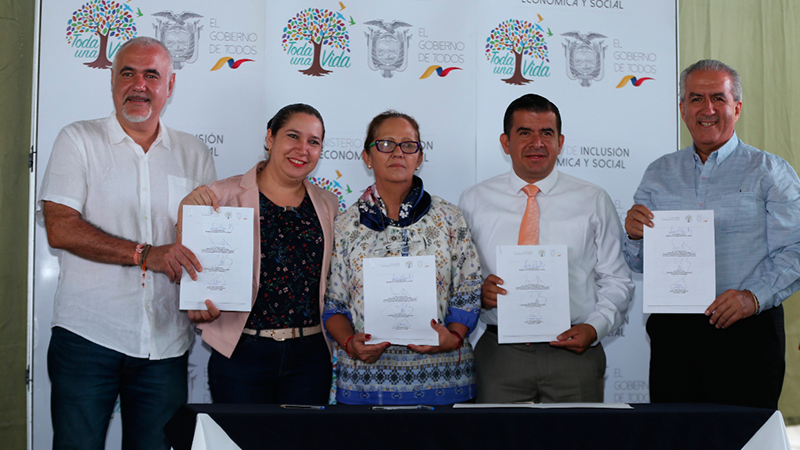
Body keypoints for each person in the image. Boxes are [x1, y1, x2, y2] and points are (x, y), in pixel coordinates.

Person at [39, 37, 216, 449]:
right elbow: (60, 228)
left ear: (169, 86)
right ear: (112, 80)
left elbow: (205, 240)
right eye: (128, 73)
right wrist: (144, 254)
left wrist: (206, 295)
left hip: (166, 345)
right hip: (87, 337)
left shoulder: (194, 153)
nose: (139, 84)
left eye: (152, 75)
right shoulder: (78, 139)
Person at [623, 59, 800, 409]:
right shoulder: (658, 173)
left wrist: (753, 297)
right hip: (674, 336)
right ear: (682, 109)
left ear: (737, 107)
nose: (708, 109)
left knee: (742, 434)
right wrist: (634, 237)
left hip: (747, 331)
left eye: (718, 98)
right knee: (675, 432)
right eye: (696, 99)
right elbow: (639, 263)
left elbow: (795, 250)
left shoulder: (771, 172)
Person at [459, 94, 634, 403]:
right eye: (525, 132)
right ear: (505, 142)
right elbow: (459, 278)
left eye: (547, 133)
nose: (536, 143)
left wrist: (594, 329)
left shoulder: (593, 199)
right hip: (500, 355)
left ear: (560, 142)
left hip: (574, 353)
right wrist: (478, 294)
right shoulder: (474, 201)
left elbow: (617, 280)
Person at [178, 104, 338, 404]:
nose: (303, 149)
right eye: (293, 136)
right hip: (241, 353)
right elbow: (187, 257)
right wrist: (196, 298)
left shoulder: (328, 204)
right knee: (241, 434)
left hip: (310, 357)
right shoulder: (220, 195)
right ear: (270, 137)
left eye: (314, 142)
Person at [323, 111, 482, 405]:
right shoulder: (345, 225)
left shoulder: (449, 218)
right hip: (365, 383)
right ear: (367, 157)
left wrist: (453, 337)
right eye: (386, 144)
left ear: (419, 158)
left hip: (443, 377)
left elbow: (469, 287)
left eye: (408, 145)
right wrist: (350, 344)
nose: (398, 153)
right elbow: (333, 303)